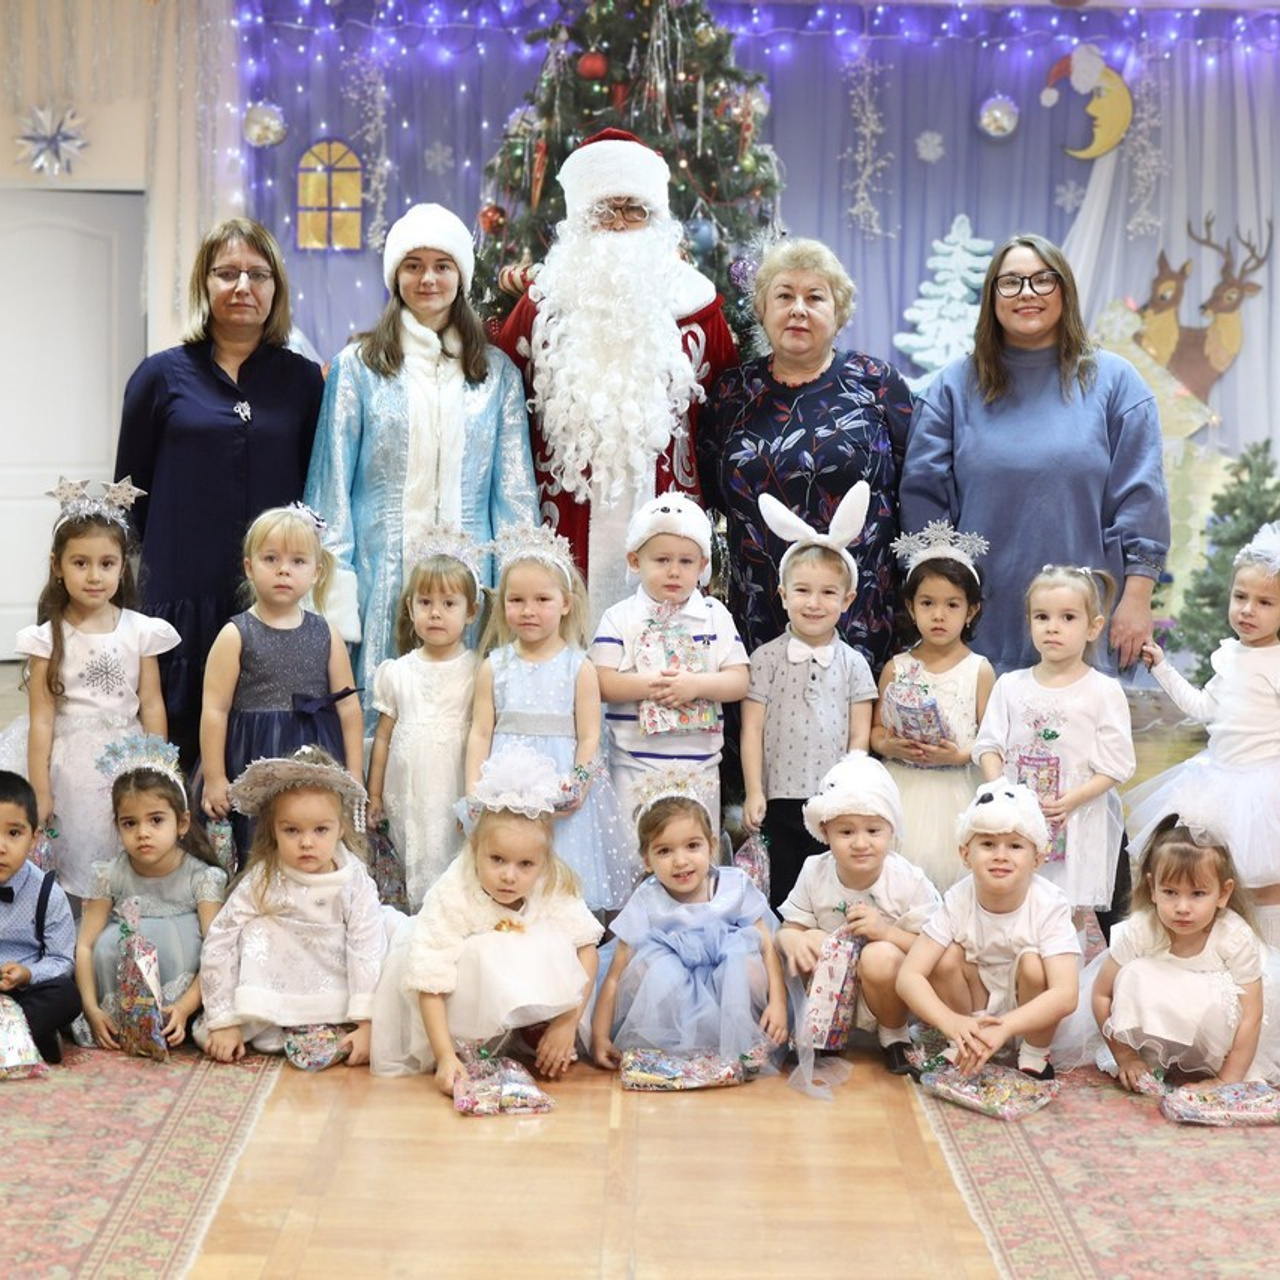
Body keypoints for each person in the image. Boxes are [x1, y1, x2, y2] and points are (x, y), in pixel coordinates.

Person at [305, 203, 537, 731]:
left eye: (442, 264)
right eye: (413, 265)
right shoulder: (356, 368)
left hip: (468, 587)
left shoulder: (495, 374)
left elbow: (515, 493)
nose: (428, 278)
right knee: (378, 727)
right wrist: (334, 590)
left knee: (462, 729)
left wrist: (513, 590)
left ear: (461, 274)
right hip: (380, 580)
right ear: (394, 276)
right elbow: (331, 484)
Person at [900, 232, 1169, 675]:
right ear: (992, 297)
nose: (1027, 293)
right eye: (1011, 283)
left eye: (1043, 280)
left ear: (1064, 289)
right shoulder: (950, 390)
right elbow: (924, 506)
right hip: (974, 638)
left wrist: (1137, 600)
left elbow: (1143, 503)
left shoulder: (1117, 384)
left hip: (1081, 633)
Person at [497, 128, 737, 619]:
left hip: (669, 529)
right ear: (581, 219)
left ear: (656, 219)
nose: (621, 224)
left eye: (636, 210)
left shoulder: (699, 306)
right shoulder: (541, 305)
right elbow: (501, 405)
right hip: (561, 522)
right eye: (606, 209)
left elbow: (726, 419)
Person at [116, 218, 324, 760]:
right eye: (227, 273)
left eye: (257, 275)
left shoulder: (302, 381)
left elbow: (313, 484)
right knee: (179, 742)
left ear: (275, 289)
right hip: (180, 589)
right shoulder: (159, 376)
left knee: (266, 739)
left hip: (270, 593)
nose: (242, 287)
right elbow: (130, 491)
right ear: (204, 284)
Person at [697, 237, 913, 670]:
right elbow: (711, 492)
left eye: (815, 297)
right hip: (759, 614)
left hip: (859, 615)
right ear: (762, 309)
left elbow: (913, 487)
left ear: (838, 313)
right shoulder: (730, 393)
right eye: (784, 295)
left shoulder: (876, 382)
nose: (798, 308)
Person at [370, 744, 604, 1093]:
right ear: (474, 848)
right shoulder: (455, 890)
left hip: (518, 987)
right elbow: (430, 981)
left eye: (525, 865)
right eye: (497, 859)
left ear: (543, 861)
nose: (509, 876)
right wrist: (445, 1056)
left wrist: (567, 1023)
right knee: (484, 950)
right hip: (453, 992)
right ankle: (473, 1043)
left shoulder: (550, 880)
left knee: (553, 941)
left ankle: (534, 1031)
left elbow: (588, 950)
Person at [17, 480, 179, 903]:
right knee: (79, 849)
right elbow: (42, 719)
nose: (94, 576)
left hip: (126, 757)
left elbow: (152, 704)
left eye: (107, 564)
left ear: (123, 567)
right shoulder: (46, 639)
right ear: (58, 566)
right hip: (71, 766)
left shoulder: (141, 631)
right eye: (80, 563)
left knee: (124, 841)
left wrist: (158, 766)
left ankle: (123, 929)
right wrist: (40, 789)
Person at [467, 525, 634, 913]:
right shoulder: (495, 666)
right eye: (516, 600)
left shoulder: (579, 667)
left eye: (542, 599)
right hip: (506, 788)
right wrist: (475, 791)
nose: (528, 610)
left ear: (565, 603)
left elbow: (590, 736)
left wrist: (576, 785)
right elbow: (480, 732)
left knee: (559, 881)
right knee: (510, 874)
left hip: (560, 789)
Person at [1128, 523, 1280, 946]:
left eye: (1265, 602)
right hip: (1216, 781)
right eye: (1241, 597)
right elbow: (1202, 708)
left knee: (1265, 885)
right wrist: (1161, 667)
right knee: (1216, 882)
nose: (1248, 610)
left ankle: (1271, 967)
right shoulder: (1229, 655)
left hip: (1264, 787)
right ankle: (1218, 963)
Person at [1053, 817, 1280, 1088]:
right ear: (1153, 888)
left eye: (1197, 894)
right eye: (1170, 892)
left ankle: (1213, 1061)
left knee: (1228, 1000)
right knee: (1131, 974)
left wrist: (1225, 1080)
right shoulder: (1141, 929)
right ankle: (1156, 1050)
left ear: (1223, 893)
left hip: (1224, 1026)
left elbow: (1252, 1015)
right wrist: (1125, 1056)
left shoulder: (1234, 936)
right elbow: (1101, 994)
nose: (1182, 907)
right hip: (1174, 1001)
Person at [196, 748, 387, 1065]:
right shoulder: (264, 878)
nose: (307, 842)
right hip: (279, 977)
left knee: (383, 939)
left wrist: (367, 1022)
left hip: (335, 980)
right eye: (292, 830)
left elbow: (366, 945)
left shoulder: (353, 880)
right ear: (274, 830)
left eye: (320, 830)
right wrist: (223, 1019)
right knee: (257, 928)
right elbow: (221, 938)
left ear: (341, 828)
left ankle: (332, 1019)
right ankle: (270, 1016)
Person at [591, 769, 788, 1070]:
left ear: (712, 845)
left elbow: (767, 947)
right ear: (646, 859)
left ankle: (742, 1039)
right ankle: (669, 1045)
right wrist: (599, 1036)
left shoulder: (732, 885)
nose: (680, 861)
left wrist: (779, 1004)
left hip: (726, 981)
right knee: (644, 967)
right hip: (674, 989)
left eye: (692, 846)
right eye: (665, 851)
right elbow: (615, 976)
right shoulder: (647, 897)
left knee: (747, 966)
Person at [199, 504, 363, 863]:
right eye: (271, 559)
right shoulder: (235, 634)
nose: (284, 570)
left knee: (313, 840)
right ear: (249, 567)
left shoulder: (326, 633)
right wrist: (214, 777)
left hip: (316, 754)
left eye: (298, 561)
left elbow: (349, 708)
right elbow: (215, 710)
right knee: (260, 841)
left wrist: (353, 772)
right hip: (253, 752)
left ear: (317, 572)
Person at [973, 567, 1135, 928]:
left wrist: (1073, 799)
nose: (1053, 627)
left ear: (1093, 627)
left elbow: (1117, 764)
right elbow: (988, 744)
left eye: (1067, 617)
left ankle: (1066, 980)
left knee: (1064, 915)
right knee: (1016, 904)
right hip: (1017, 819)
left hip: (1076, 818)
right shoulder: (1011, 686)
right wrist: (1002, 791)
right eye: (1042, 617)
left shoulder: (1103, 691)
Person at [740, 485, 878, 907]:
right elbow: (752, 729)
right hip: (780, 796)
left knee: (832, 889)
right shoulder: (764, 659)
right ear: (782, 595)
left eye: (827, 593)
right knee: (782, 891)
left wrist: (850, 790)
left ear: (848, 599)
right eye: (802, 591)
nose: (814, 603)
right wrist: (753, 790)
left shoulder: (855, 663)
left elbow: (859, 738)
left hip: (832, 801)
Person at [895, 781, 1081, 1080]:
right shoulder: (958, 898)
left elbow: (1065, 993)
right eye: (988, 844)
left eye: (1015, 846)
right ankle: (965, 1038)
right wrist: (950, 1021)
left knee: (1034, 964)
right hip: (974, 998)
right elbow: (909, 976)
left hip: (1028, 1006)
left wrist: (1006, 1025)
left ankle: (1035, 1051)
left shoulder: (1050, 903)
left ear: (1038, 858)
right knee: (945, 956)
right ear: (965, 853)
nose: (1001, 855)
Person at [590, 494, 749, 832]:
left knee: (692, 855)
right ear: (635, 560)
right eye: (661, 560)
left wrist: (695, 686)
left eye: (686, 562)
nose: (674, 571)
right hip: (634, 765)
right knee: (635, 854)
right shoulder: (620, 617)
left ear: (703, 566)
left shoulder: (713, 615)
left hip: (701, 766)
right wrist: (654, 685)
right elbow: (600, 683)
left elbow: (739, 680)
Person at [776, 754, 941, 1075]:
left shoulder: (908, 880)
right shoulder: (814, 871)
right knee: (811, 937)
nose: (861, 843)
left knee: (879, 955)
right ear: (825, 831)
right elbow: (788, 927)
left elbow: (937, 950)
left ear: (891, 829)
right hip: (832, 987)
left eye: (873, 830)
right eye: (846, 832)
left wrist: (886, 932)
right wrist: (793, 939)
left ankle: (894, 1035)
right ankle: (826, 1030)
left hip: (889, 988)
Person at [75, 736, 226, 1051]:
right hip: (116, 1010)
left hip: (184, 1005)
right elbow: (86, 945)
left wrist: (184, 1008)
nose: (142, 833)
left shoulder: (202, 877)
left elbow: (217, 952)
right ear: (118, 827)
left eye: (156, 820)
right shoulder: (109, 874)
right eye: (129, 823)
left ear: (182, 822)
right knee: (107, 941)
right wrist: (90, 1009)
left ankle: (174, 1018)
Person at [872, 523, 995, 891]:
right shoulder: (897, 666)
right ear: (911, 607)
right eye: (928, 603)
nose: (939, 615)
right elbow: (876, 732)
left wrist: (959, 756)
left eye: (952, 604)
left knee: (950, 878)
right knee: (900, 876)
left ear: (971, 610)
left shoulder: (979, 670)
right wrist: (889, 745)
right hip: (902, 783)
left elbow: (991, 741)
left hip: (955, 788)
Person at [367, 533, 483, 911]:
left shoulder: (479, 671)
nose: (436, 612)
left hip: (453, 786)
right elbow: (382, 738)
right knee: (408, 850)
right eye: (425, 602)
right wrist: (375, 793)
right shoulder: (397, 672)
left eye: (449, 603)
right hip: (407, 790)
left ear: (470, 612)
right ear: (410, 607)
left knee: (449, 858)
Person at [0, 771, 81, 1064]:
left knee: (67, 995)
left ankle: (18, 1034)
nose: (2, 847)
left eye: (13, 833)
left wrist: (28, 974)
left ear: (34, 839)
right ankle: (27, 1040)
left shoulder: (48, 892)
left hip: (26, 991)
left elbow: (62, 960)